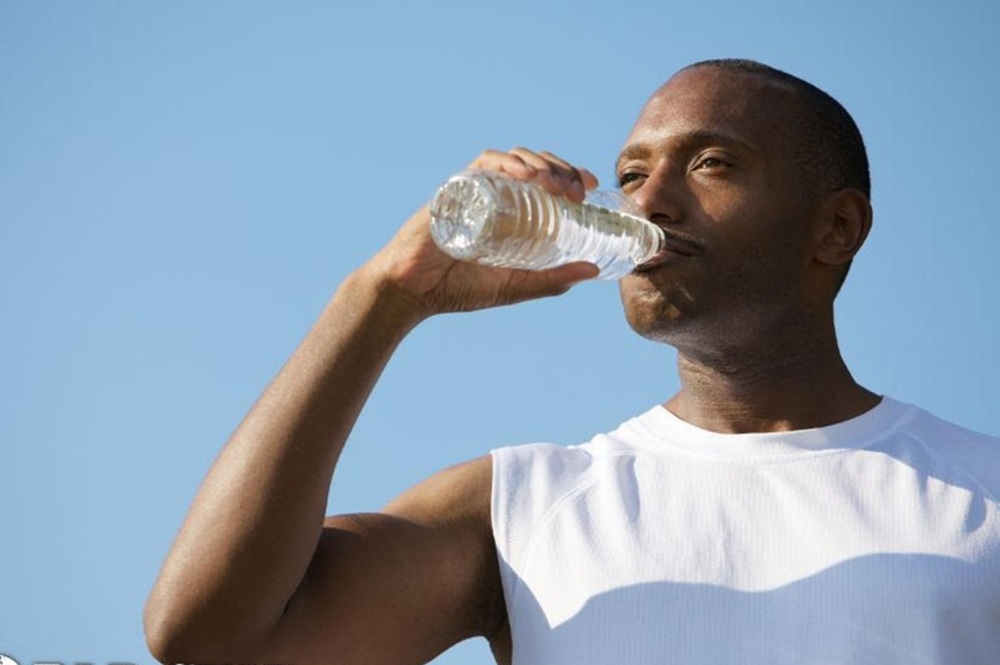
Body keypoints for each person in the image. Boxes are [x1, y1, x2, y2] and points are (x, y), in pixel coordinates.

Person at [144, 59, 1000, 664]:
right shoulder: (520, 508)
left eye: (709, 163)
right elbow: (211, 636)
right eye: (630, 174)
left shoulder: (982, 495)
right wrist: (384, 296)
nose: (650, 201)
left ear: (837, 228)